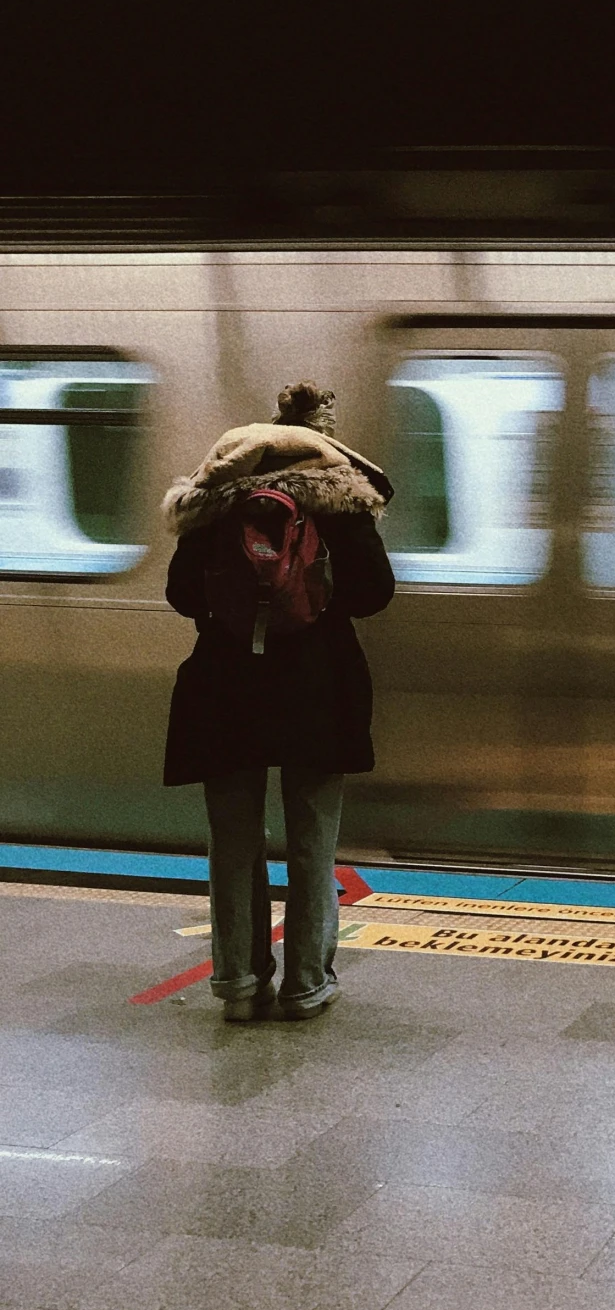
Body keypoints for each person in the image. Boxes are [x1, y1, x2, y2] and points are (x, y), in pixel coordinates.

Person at [161, 382, 395, 1023]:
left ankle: (238, 984)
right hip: (318, 689)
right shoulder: (340, 502)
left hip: (224, 689)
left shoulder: (214, 506)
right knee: (312, 842)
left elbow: (182, 595)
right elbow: (375, 593)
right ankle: (306, 985)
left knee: (233, 842)